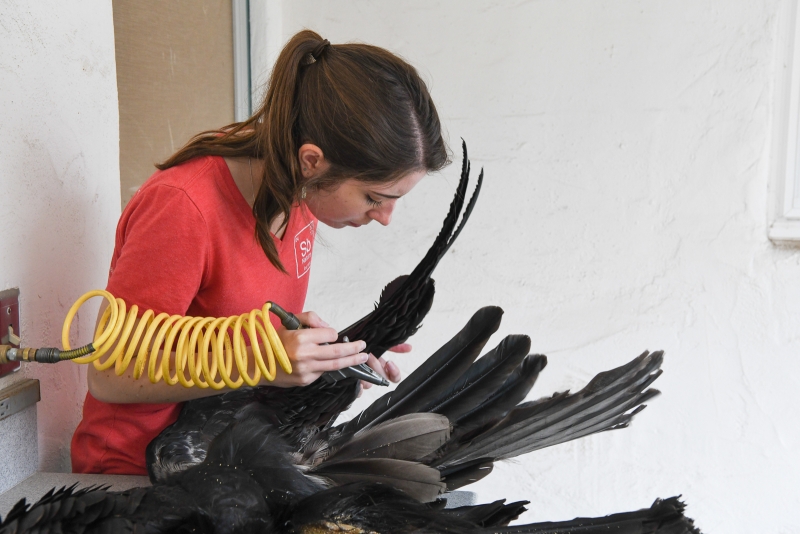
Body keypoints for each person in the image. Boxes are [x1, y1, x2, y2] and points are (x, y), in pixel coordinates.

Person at [70, 30, 449, 475]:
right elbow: (109, 375)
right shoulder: (184, 207)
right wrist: (264, 361)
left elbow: (238, 337)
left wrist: (328, 359)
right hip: (134, 477)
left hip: (226, 460)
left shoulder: (297, 195)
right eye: (373, 197)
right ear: (312, 161)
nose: (385, 217)